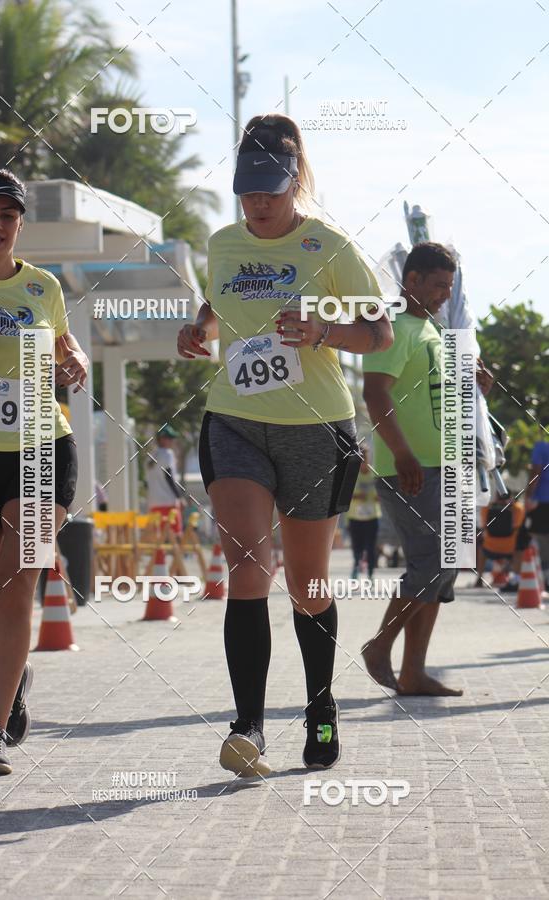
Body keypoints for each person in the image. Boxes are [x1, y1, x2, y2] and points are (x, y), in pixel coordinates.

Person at [177, 113, 393, 776]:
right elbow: (216, 307)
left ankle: (321, 706)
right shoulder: (221, 243)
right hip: (235, 419)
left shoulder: (327, 244)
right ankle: (247, 728)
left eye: (270, 190)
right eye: (247, 191)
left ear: (294, 180)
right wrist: (197, 329)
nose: (259, 204)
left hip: (316, 430)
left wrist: (321, 331)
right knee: (247, 565)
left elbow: (378, 333)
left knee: (307, 584)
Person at [0, 168, 88, 775]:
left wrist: (75, 360)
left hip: (40, 448)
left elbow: (65, 345)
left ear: (20, 224)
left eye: (8, 216)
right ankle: (16, 672)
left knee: (17, 584)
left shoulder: (44, 287)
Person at [362, 241, 471, 696]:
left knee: (444, 568)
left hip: (444, 466)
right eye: (440, 285)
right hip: (411, 468)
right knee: (430, 564)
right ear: (412, 281)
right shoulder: (396, 328)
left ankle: (412, 673)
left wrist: (475, 382)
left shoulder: (432, 331)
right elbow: (374, 393)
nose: (446, 293)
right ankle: (379, 646)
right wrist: (403, 454)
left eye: (450, 286)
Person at [345, 445, 380, 579]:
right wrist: (355, 496)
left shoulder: (374, 474)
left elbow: (383, 493)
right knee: (357, 547)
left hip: (372, 517)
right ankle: (356, 568)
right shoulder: (352, 475)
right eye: (360, 457)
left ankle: (370, 573)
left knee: (371, 548)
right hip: (355, 517)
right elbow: (345, 495)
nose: (363, 460)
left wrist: (379, 497)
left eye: (365, 457)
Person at [145, 424, 184, 534]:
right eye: (169, 438)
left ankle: (160, 553)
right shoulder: (168, 454)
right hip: (169, 501)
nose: (172, 441)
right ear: (162, 439)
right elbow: (169, 476)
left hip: (153, 502)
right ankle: (178, 552)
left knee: (158, 536)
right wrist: (179, 497)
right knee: (175, 535)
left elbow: (146, 482)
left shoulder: (150, 456)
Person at [525, 423, 549, 589]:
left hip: (543, 499)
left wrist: (528, 496)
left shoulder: (541, 446)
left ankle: (543, 575)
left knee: (537, 536)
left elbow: (536, 471)